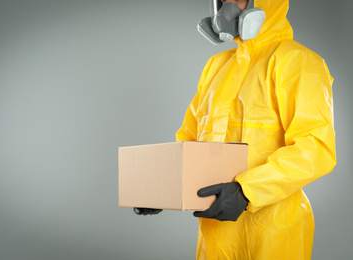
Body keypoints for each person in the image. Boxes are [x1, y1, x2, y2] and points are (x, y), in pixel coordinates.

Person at [135, 0, 336, 259]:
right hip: (214, 236)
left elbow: (315, 148)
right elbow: (190, 140)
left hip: (273, 234)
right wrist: (164, 187)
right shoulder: (216, 66)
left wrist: (245, 191)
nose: (227, 6)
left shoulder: (297, 61)